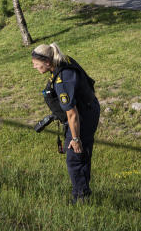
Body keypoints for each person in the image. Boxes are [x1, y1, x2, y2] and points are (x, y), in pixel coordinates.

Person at [31, 43, 100, 204]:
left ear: (47, 62)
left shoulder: (63, 79)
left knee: (74, 156)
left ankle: (81, 199)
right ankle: (83, 192)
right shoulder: (62, 61)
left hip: (82, 115)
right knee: (80, 155)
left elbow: (72, 113)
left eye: (36, 63)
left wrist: (75, 139)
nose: (34, 66)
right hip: (86, 108)